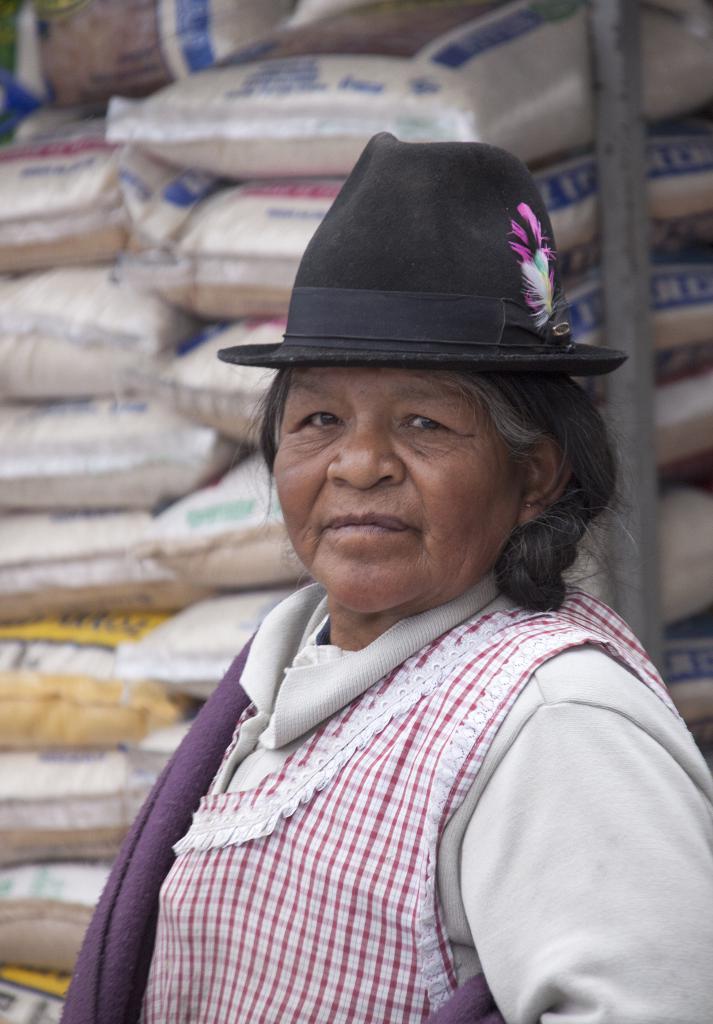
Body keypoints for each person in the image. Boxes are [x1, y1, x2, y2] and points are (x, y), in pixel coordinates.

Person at [62, 135, 713, 1024]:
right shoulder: (279, 683)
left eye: (424, 422)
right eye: (319, 418)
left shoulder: (553, 719)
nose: (358, 465)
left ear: (536, 476)